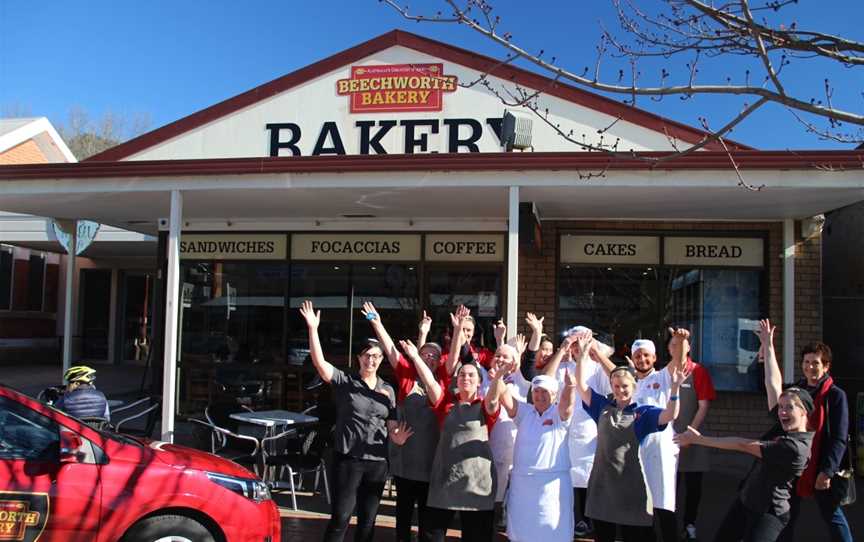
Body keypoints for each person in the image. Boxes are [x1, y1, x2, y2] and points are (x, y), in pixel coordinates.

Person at [675, 319, 814, 542]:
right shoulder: (785, 424)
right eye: (782, 407)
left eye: (790, 408)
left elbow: (742, 445)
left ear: (804, 413)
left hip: (769, 513)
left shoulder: (795, 447)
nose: (782, 411)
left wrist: (699, 439)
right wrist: (768, 345)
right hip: (747, 500)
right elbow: (773, 384)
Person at [299, 300, 407, 542]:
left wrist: (397, 436)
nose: (372, 360)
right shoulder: (346, 382)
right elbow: (320, 364)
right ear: (359, 358)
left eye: (377, 357)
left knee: (368, 522)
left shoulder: (388, 389)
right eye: (367, 356)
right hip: (348, 459)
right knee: (341, 517)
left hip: (378, 462)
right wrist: (313, 329)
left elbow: (390, 424)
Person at [574, 329, 686, 542]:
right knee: (605, 531)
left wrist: (675, 388)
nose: (620, 390)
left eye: (625, 387)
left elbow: (670, 414)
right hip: (605, 481)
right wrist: (583, 357)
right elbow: (582, 386)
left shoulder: (643, 411)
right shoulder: (603, 406)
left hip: (644, 466)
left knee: (657, 511)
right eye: (616, 386)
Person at [400, 325, 509, 542]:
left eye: (471, 375)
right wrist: (414, 356)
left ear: (479, 383)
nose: (465, 378)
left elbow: (494, 400)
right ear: (456, 381)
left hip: (477, 485)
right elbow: (430, 381)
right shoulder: (445, 403)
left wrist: (499, 378)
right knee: (432, 536)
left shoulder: (484, 406)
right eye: (461, 375)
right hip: (445, 482)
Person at [361, 302, 441, 542]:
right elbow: (391, 350)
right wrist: (376, 321)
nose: (428, 358)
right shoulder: (408, 380)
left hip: (432, 467)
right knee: (403, 521)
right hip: (406, 465)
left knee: (428, 524)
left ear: (440, 361)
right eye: (424, 354)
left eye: (434, 356)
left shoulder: (444, 383)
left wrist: (434, 334)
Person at [539, 325, 614, 538]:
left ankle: (592, 520)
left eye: (582, 342)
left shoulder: (597, 368)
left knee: (590, 476)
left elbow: (615, 378)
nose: (577, 347)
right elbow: (545, 377)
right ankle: (575, 518)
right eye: (574, 343)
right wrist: (563, 348)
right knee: (566, 475)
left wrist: (596, 353)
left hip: (590, 430)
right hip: (563, 430)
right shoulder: (562, 365)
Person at [778, 342, 852, 542]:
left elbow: (839, 438)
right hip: (795, 463)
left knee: (832, 516)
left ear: (826, 366)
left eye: (816, 363)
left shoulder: (835, 396)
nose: (810, 367)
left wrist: (827, 471)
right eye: (806, 361)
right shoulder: (796, 391)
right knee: (786, 515)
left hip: (820, 465)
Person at [500, 366, 578, 542]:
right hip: (522, 484)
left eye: (545, 392)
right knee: (521, 531)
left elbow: (567, 405)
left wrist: (570, 387)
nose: (540, 395)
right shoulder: (525, 411)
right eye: (536, 391)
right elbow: (504, 397)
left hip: (552, 486)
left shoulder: (559, 414)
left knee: (553, 531)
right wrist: (498, 376)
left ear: (554, 395)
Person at [631, 333, 687, 542]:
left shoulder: (663, 377)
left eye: (646, 355)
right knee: (642, 501)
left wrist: (681, 341)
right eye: (637, 356)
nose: (642, 359)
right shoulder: (630, 383)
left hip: (661, 448)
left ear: (654, 358)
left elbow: (679, 361)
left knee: (663, 501)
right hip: (638, 449)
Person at [670, 329, 717, 541]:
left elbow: (703, 406)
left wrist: (690, 433)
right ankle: (667, 524)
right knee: (670, 487)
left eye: (680, 344)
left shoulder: (698, 371)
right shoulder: (665, 372)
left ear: (688, 348)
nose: (676, 348)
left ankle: (690, 524)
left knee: (693, 487)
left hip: (693, 439)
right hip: (669, 440)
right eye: (672, 345)